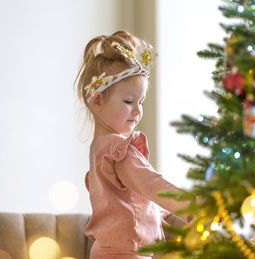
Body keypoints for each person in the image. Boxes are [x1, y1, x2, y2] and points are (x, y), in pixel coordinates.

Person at [75, 31, 193, 259]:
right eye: (129, 102)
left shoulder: (99, 149)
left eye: (141, 101)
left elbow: (129, 201)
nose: (138, 111)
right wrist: (192, 207)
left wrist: (162, 214)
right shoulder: (119, 151)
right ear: (97, 100)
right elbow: (152, 184)